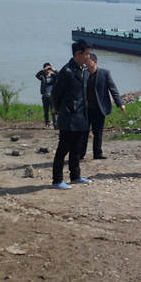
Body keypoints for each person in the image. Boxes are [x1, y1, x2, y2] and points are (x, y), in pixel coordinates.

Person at [50, 39, 93, 189]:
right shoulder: (67, 71)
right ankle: (57, 180)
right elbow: (55, 94)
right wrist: (57, 110)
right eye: (86, 54)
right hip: (69, 116)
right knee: (63, 148)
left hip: (81, 115)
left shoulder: (83, 70)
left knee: (77, 148)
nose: (89, 56)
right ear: (78, 54)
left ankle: (75, 176)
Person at [80, 53, 126, 159]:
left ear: (95, 62)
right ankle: (81, 154)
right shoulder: (84, 73)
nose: (86, 63)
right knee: (83, 132)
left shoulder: (104, 73)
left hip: (99, 108)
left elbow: (113, 89)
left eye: (88, 61)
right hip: (85, 109)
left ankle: (97, 153)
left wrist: (120, 104)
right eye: (85, 61)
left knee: (98, 132)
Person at [35, 62, 58, 128]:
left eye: (49, 69)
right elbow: (37, 75)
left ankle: (55, 124)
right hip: (45, 96)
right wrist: (43, 70)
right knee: (46, 111)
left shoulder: (54, 76)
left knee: (54, 111)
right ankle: (47, 124)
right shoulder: (42, 76)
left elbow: (60, 76)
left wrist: (54, 70)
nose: (48, 70)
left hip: (52, 96)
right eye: (46, 69)